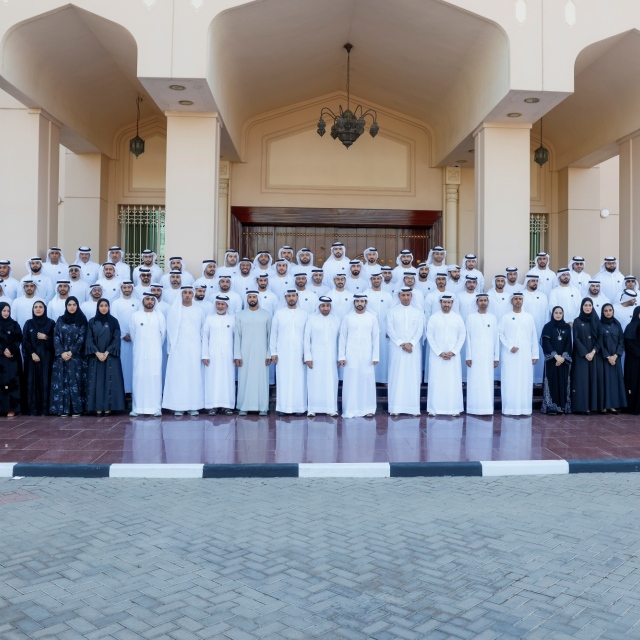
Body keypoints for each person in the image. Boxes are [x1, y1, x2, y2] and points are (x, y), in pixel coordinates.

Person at [162, 286, 204, 417]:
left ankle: (193, 406)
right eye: (184, 292)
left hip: (194, 349)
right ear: (181, 294)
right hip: (178, 350)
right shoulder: (174, 310)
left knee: (193, 377)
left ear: (193, 294)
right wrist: (170, 349)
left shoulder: (199, 310)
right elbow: (170, 332)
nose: (187, 295)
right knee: (178, 378)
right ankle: (178, 406)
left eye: (189, 293)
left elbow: (203, 331)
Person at [338, 294, 379, 418]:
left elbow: (376, 337)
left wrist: (375, 356)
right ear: (354, 303)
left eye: (362, 301)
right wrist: (342, 356)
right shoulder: (348, 317)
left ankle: (368, 409)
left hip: (367, 356)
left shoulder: (372, 318)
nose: (359, 303)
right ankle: (350, 409)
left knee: (367, 382)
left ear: (365, 302)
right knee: (351, 382)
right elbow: (342, 337)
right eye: (357, 301)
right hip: (351, 355)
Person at [498, 292, 539, 416]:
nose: (518, 301)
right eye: (515, 299)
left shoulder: (528, 317)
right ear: (511, 301)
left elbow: (533, 336)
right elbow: (500, 334)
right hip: (509, 355)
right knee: (510, 381)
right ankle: (509, 409)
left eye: (520, 299)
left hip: (525, 355)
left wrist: (535, 354)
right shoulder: (505, 317)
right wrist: (509, 347)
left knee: (524, 381)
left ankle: (525, 409)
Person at [426, 294, 465, 417]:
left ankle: (454, 409)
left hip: (453, 357)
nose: (446, 305)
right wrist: (439, 352)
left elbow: (462, 336)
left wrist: (453, 351)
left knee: (453, 382)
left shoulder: (458, 318)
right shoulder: (433, 318)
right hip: (437, 356)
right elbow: (430, 336)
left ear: (452, 303)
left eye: (449, 303)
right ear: (440, 303)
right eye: (444, 302)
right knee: (436, 382)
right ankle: (434, 409)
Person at [85, 299, 126, 415]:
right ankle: (97, 408)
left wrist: (107, 352)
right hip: (96, 357)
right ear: (98, 307)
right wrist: (97, 352)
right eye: (101, 306)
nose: (103, 308)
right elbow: (89, 339)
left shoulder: (114, 321)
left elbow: (116, 338)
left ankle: (108, 407)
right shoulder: (92, 322)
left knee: (110, 382)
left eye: (106, 306)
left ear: (109, 307)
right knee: (97, 382)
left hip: (110, 357)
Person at [234, 291, 272, 416]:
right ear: (247, 299)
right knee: (245, 379)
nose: (252, 299)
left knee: (261, 379)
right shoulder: (240, 315)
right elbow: (237, 337)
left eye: (254, 297)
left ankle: (262, 407)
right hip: (245, 353)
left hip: (261, 354)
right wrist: (237, 355)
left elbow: (270, 336)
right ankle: (243, 406)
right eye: (250, 297)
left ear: (258, 298)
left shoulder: (266, 315)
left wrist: (269, 354)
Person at [386, 288, 423, 416]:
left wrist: (411, 343)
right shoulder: (392, 312)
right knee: (397, 376)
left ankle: (413, 409)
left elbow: (420, 330)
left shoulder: (418, 312)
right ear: (399, 296)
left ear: (411, 296)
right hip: (397, 348)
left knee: (412, 376)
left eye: (408, 295)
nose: (406, 297)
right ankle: (395, 408)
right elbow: (390, 330)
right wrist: (402, 343)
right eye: (403, 295)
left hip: (413, 348)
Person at [129, 292, 166, 417]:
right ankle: (137, 408)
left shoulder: (159, 316)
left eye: (151, 299)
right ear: (143, 301)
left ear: (154, 301)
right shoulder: (136, 316)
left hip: (155, 353)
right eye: (147, 299)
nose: (149, 301)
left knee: (154, 377)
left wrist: (153, 346)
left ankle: (156, 408)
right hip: (139, 353)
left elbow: (162, 335)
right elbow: (133, 334)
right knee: (139, 377)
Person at [270, 290, 307, 415]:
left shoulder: (304, 314)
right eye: (289, 296)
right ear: (285, 298)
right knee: (283, 379)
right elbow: (273, 334)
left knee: (299, 380)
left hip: (300, 353)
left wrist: (306, 353)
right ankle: (283, 408)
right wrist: (273, 352)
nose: (291, 298)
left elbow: (307, 336)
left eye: (293, 296)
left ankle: (299, 408)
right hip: (283, 353)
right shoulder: (279, 314)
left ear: (297, 297)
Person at [50, 297, 88, 417]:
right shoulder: (60, 320)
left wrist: (71, 352)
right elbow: (55, 336)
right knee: (62, 383)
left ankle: (77, 409)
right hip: (61, 358)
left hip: (76, 358)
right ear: (66, 306)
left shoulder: (82, 320)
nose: (72, 307)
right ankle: (63, 409)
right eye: (69, 304)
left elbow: (82, 338)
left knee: (75, 382)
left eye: (74, 304)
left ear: (77, 306)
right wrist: (61, 352)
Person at [304, 296, 340, 417]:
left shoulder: (336, 319)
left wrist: (340, 356)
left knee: (331, 381)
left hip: (331, 357)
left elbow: (341, 339)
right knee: (314, 381)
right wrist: (308, 356)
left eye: (327, 306)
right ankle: (312, 409)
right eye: (323, 306)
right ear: (319, 307)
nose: (325, 308)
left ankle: (331, 408)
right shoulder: (312, 320)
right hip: (315, 356)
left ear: (331, 307)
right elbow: (306, 340)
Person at [465, 293, 499, 415]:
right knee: (475, 382)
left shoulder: (493, 318)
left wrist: (496, 357)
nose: (483, 302)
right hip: (474, 356)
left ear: (488, 302)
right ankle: (473, 408)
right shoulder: (470, 317)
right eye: (481, 300)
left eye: (485, 300)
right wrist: (468, 356)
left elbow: (496, 338)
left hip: (489, 356)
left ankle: (487, 409)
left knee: (488, 382)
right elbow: (467, 338)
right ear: (477, 302)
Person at [202, 295, 236, 416]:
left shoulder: (232, 319)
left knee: (228, 380)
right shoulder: (210, 319)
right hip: (212, 355)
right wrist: (205, 355)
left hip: (228, 356)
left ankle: (227, 406)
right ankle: (213, 406)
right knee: (213, 380)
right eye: (218, 304)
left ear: (227, 305)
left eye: (223, 304)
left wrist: (236, 355)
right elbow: (205, 338)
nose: (220, 306)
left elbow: (236, 338)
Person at [571, 298, 604, 414]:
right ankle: (582, 407)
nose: (588, 307)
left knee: (593, 380)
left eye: (590, 305)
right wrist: (585, 353)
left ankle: (593, 406)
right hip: (581, 356)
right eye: (585, 305)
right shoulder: (577, 321)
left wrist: (593, 352)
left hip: (594, 356)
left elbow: (600, 338)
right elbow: (576, 339)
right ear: (582, 307)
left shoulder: (596, 321)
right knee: (582, 381)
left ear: (593, 307)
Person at [22, 301, 55, 416]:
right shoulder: (29, 323)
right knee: (31, 382)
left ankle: (45, 409)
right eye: (35, 307)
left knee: (45, 382)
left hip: (46, 358)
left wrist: (45, 337)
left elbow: (55, 340)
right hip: (32, 358)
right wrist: (32, 353)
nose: (38, 309)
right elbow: (25, 340)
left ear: (44, 309)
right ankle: (32, 409)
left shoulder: (51, 323)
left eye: (40, 307)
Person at [540, 306, 572, 415]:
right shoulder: (548, 327)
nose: (558, 315)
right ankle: (551, 406)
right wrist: (555, 356)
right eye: (556, 313)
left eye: (560, 313)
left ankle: (562, 406)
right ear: (552, 314)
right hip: (551, 361)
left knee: (563, 383)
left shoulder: (567, 327)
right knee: (552, 382)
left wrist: (563, 357)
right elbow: (545, 343)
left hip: (563, 361)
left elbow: (569, 343)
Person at [111, 281, 141, 396]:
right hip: (121, 340)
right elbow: (115, 320)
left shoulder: (138, 302)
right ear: (121, 289)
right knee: (123, 365)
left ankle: (134, 391)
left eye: (129, 287)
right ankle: (123, 391)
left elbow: (139, 319)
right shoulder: (115, 303)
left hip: (135, 339)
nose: (127, 289)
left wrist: (133, 334)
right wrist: (123, 334)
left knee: (135, 364)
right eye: (125, 287)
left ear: (132, 289)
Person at [364, 272, 393, 383]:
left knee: (384, 353)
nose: (376, 280)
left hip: (385, 330)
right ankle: (371, 380)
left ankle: (384, 379)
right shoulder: (365, 294)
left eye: (378, 278)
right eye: (374, 278)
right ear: (371, 280)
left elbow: (391, 314)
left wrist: (389, 329)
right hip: (369, 329)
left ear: (381, 280)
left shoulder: (387, 295)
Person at [599, 303, 627, 414]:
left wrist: (615, 356)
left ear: (613, 311)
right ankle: (604, 406)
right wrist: (608, 356)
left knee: (614, 382)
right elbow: (599, 343)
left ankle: (613, 405)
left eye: (610, 310)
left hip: (616, 359)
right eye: (605, 310)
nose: (608, 312)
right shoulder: (599, 325)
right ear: (602, 312)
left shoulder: (617, 324)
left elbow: (621, 341)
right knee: (604, 382)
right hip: (604, 359)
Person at [522, 274, 549, 385]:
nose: (535, 283)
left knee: (539, 354)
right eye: (532, 281)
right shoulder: (521, 295)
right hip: (525, 330)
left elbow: (547, 314)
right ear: (527, 282)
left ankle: (538, 379)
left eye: (536, 281)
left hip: (540, 329)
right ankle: (527, 379)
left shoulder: (543, 296)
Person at [0, 302, 23, 417]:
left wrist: (10, 349)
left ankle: (12, 408)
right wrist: (3, 349)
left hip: (12, 358)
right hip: (1, 358)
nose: (6, 313)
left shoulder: (14, 324)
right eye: (4, 311)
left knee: (12, 381)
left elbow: (19, 338)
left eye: (8, 311)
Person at [624, 307, 640, 415]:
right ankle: (633, 407)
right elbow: (628, 342)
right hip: (633, 361)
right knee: (633, 382)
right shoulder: (630, 327)